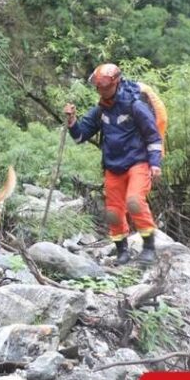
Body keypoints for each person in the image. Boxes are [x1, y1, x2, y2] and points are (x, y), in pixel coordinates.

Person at [64, 63, 163, 264]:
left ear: (116, 84)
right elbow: (80, 136)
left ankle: (149, 248)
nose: (101, 90)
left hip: (138, 161)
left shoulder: (135, 105)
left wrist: (155, 163)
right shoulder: (101, 109)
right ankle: (122, 252)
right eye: (98, 87)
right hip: (113, 166)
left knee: (134, 201)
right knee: (112, 213)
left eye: (104, 87)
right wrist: (73, 121)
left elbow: (153, 136)